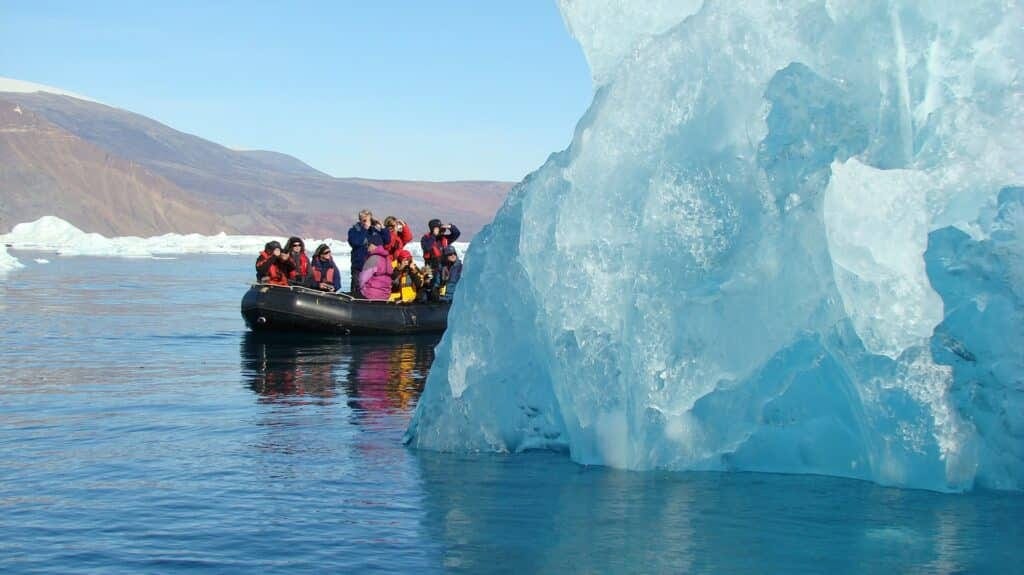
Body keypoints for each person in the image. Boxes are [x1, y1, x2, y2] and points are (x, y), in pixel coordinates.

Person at [348, 210, 391, 297]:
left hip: (374, 269)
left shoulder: (374, 231)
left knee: (373, 291)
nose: (367, 222)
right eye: (364, 220)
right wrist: (364, 229)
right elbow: (355, 242)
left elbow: (387, 240)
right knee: (357, 292)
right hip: (360, 268)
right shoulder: (354, 231)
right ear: (360, 220)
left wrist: (382, 227)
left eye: (368, 219)